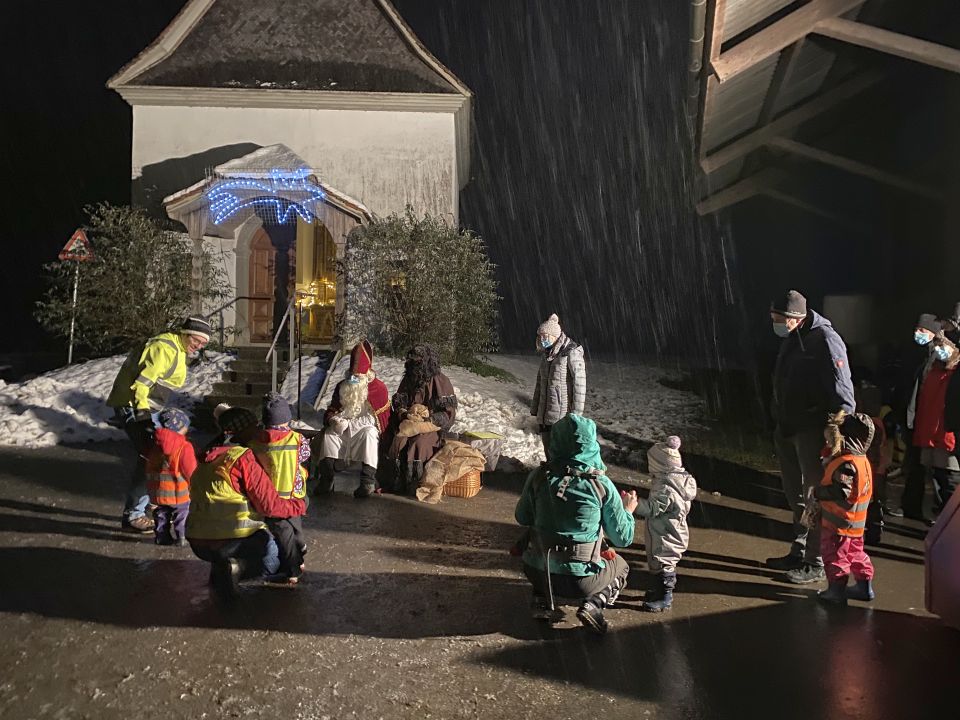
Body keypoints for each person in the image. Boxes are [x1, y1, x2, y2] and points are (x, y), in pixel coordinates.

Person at [515, 414, 637, 635]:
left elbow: (522, 517)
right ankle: (594, 604)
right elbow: (623, 538)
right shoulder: (601, 485)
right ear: (591, 444)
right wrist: (627, 510)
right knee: (621, 567)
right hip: (580, 581)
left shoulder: (539, 476)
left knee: (543, 551)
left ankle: (541, 599)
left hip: (537, 571)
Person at [767, 290, 855, 584]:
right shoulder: (793, 337)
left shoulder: (825, 340)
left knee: (815, 496)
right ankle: (800, 548)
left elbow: (843, 393)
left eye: (779, 319)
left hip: (810, 429)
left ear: (795, 318)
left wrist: (835, 427)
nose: (775, 324)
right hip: (788, 426)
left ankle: (815, 561)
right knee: (795, 495)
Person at [186, 407, 306, 599]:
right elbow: (270, 506)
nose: (260, 429)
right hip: (229, 539)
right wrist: (298, 505)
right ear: (244, 430)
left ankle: (221, 569)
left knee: (221, 535)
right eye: (255, 425)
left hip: (197, 540)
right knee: (273, 557)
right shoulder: (242, 458)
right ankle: (239, 567)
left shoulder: (208, 457)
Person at [107, 316, 211, 533]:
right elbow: (142, 383)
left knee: (156, 455)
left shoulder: (178, 350)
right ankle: (134, 514)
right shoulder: (164, 348)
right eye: (196, 340)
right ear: (185, 334)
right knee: (152, 456)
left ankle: (148, 504)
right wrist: (142, 412)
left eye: (203, 344)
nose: (199, 346)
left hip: (148, 406)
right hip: (135, 405)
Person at [805, 411, 876, 605]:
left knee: (835, 555)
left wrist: (818, 493)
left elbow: (842, 490)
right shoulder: (861, 460)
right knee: (856, 554)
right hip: (856, 523)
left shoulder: (847, 464)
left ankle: (836, 591)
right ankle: (864, 588)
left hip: (839, 523)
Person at [315, 341, 391, 498]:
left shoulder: (379, 389)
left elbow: (375, 419)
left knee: (370, 434)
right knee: (329, 435)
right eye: (352, 376)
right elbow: (332, 409)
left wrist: (350, 424)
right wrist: (333, 420)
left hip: (363, 429)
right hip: (343, 428)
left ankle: (367, 481)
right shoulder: (343, 386)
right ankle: (327, 479)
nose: (353, 380)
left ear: (366, 375)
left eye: (357, 377)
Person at [249, 392, 310, 584]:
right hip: (295, 494)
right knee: (295, 526)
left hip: (272, 498)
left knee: (283, 534)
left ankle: (293, 567)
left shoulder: (255, 442)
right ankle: (299, 554)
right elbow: (305, 456)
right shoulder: (297, 439)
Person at [382, 344, 457, 494]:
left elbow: (447, 413)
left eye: (418, 361)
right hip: (408, 422)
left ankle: (416, 483)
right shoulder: (408, 380)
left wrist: (427, 419)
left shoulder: (440, 381)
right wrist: (405, 414)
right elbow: (399, 403)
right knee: (399, 439)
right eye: (413, 361)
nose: (415, 364)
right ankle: (396, 481)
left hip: (431, 426)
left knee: (419, 443)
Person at [634, 436, 698, 613]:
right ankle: (658, 591)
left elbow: (653, 508)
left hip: (666, 535)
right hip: (669, 530)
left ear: (658, 465)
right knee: (658, 562)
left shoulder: (666, 488)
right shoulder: (676, 482)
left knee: (664, 564)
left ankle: (665, 596)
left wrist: (634, 504)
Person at [892, 314, 941, 522]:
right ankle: (911, 506)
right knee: (915, 464)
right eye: (918, 329)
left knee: (930, 467)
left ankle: (922, 508)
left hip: (927, 420)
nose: (918, 333)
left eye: (924, 330)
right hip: (913, 418)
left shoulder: (937, 357)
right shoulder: (914, 355)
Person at [913, 333, 960, 515]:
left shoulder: (954, 373)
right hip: (928, 432)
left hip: (946, 434)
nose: (939, 350)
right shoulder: (932, 370)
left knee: (949, 478)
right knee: (935, 477)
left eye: (943, 345)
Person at [531, 314, 586, 459]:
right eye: (540, 337)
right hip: (545, 411)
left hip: (562, 413)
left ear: (555, 336)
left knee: (560, 448)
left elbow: (579, 384)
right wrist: (535, 407)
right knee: (547, 446)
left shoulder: (570, 352)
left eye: (545, 336)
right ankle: (551, 472)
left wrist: (576, 414)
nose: (542, 340)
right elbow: (540, 383)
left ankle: (560, 474)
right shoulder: (547, 355)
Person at [145, 407, 197, 546]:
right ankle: (182, 537)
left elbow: (149, 466)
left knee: (161, 515)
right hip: (179, 492)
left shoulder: (155, 444)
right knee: (182, 515)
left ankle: (162, 537)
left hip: (158, 492)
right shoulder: (184, 446)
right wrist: (196, 484)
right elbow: (190, 470)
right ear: (180, 427)